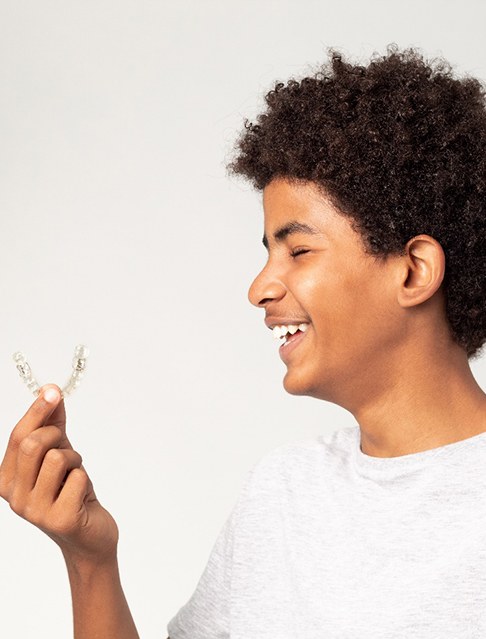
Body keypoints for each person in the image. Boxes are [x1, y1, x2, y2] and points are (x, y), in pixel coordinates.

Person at [1, 43, 486, 638]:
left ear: (413, 271)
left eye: (299, 250)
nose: (259, 288)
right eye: (267, 253)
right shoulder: (282, 493)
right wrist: (88, 558)